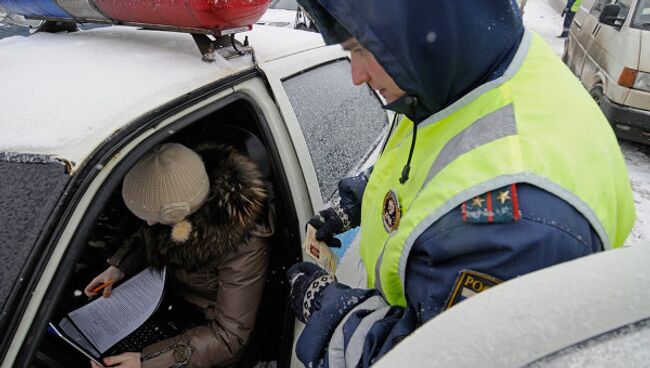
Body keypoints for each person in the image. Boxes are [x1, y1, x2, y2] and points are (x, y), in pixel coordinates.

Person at [286, 0, 636, 367]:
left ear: (423, 35)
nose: (356, 75)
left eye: (362, 49)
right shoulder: (456, 76)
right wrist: (359, 201)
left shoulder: (512, 224)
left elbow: (428, 356)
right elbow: (435, 153)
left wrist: (330, 311)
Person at [84, 142, 273, 368]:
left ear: (179, 212)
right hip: (165, 304)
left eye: (153, 216)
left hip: (209, 330)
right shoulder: (178, 190)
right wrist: (120, 266)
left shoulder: (244, 244)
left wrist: (147, 362)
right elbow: (150, 238)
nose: (148, 222)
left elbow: (229, 338)